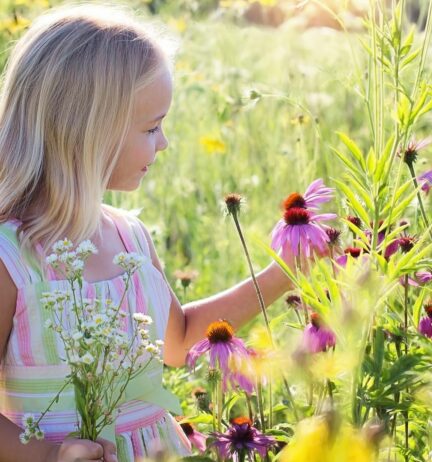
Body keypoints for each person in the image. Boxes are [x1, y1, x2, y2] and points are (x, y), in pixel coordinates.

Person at [0, 5, 293, 462]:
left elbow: (177, 343)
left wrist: (283, 274)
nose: (164, 143)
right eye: (152, 127)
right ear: (87, 132)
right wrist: (50, 456)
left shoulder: (129, 238)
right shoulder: (12, 258)